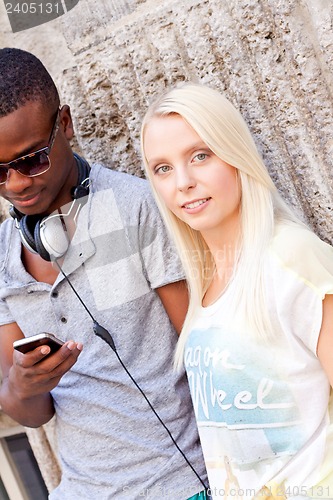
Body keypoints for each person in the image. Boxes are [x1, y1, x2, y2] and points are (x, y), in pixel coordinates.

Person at [0, 48, 209, 499]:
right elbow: (28, 412)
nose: (16, 183)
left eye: (32, 159)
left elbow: (206, 356)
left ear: (66, 125)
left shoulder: (139, 209)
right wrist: (24, 383)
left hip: (179, 485)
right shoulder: (1, 258)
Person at [140, 83, 333, 500]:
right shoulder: (206, 285)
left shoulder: (291, 257)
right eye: (163, 168)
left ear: (236, 155)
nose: (184, 182)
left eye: (200, 156)